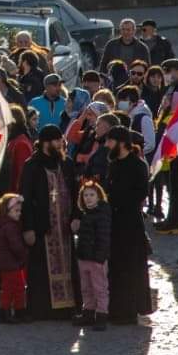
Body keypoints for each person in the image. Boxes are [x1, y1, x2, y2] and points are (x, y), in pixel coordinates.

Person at [19, 125, 79, 320]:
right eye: (57, 140)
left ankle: (68, 307)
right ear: (46, 142)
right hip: (42, 226)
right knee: (40, 269)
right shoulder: (32, 165)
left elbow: (76, 192)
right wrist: (27, 227)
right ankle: (42, 309)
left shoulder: (66, 164)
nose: (61, 144)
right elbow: (25, 198)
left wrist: (77, 216)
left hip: (64, 227)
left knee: (68, 266)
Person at [103, 126, 153, 325]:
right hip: (115, 221)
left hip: (130, 222)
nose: (107, 145)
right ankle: (117, 308)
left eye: (110, 141)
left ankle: (131, 308)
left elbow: (140, 193)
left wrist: (117, 199)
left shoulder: (138, 164)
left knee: (132, 266)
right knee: (116, 266)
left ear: (121, 142)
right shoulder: (114, 164)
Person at [72, 178, 111, 330]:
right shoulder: (85, 214)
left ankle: (101, 315)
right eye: (86, 195)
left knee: (100, 288)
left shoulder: (102, 214)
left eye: (91, 195)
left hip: (96, 259)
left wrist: (100, 258)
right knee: (86, 288)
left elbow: (103, 237)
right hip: (84, 257)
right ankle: (88, 312)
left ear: (98, 196)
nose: (88, 198)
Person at [0, 193, 29, 323]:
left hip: (8, 263)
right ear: (8, 211)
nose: (19, 213)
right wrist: (24, 254)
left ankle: (16, 311)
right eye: (16, 211)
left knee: (15, 288)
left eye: (20, 211)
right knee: (12, 289)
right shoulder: (10, 226)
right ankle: (8, 313)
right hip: (10, 263)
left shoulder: (6, 225)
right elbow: (16, 246)